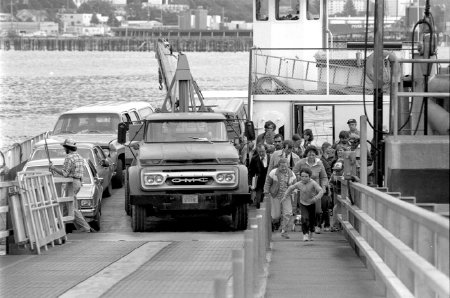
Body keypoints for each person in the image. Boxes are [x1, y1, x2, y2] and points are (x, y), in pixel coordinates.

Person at [49, 139, 94, 233]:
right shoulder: (79, 157)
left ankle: (85, 228)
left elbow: (65, 173)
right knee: (66, 206)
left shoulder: (69, 157)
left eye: (64, 147)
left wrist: (53, 168)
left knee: (71, 207)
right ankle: (59, 227)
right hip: (78, 182)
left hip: (71, 183)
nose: (64, 149)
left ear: (67, 148)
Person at [293, 146, 328, 234]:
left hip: (315, 190)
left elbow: (324, 177)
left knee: (317, 210)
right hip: (304, 190)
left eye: (313, 154)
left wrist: (323, 187)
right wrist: (299, 178)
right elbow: (293, 172)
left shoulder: (319, 163)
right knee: (306, 209)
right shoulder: (301, 162)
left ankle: (318, 225)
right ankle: (308, 226)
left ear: (316, 155)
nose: (311, 156)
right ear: (306, 154)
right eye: (309, 154)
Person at [284, 168, 324, 241]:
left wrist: (315, 198)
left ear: (309, 176)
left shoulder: (313, 183)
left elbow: (321, 191)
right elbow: (291, 188)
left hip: (312, 203)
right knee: (304, 218)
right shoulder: (299, 183)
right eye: (302, 176)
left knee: (312, 220)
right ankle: (305, 234)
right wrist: (285, 196)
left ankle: (311, 233)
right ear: (300, 176)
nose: (304, 178)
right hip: (303, 203)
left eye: (306, 176)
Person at [263, 158, 297, 239]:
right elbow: (268, 183)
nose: (284, 168)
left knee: (288, 213)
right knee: (275, 216)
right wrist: (266, 191)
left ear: (288, 166)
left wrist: (294, 190)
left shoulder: (291, 174)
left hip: (287, 196)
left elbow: (295, 184)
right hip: (275, 195)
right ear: (279, 166)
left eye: (285, 166)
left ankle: (284, 231)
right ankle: (272, 224)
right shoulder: (273, 172)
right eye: (282, 166)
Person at [248, 144, 270, 209]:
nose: (261, 153)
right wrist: (250, 183)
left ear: (265, 150)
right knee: (258, 202)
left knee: (268, 201)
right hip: (259, 182)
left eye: (262, 151)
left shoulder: (270, 157)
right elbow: (251, 172)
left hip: (269, 182)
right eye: (259, 152)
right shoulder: (254, 159)